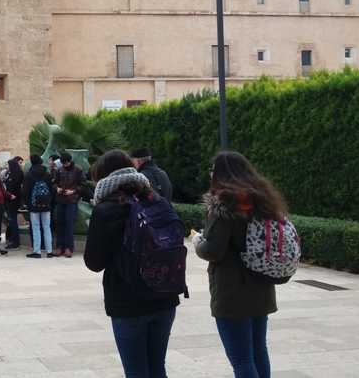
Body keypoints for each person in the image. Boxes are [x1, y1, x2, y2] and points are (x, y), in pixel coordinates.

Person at [84, 150, 180, 378]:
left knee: (136, 371)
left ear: (103, 177)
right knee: (158, 368)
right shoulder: (157, 200)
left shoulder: (106, 209)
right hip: (165, 294)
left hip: (128, 300)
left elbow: (94, 262)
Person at [193, 151, 282, 378]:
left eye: (213, 169)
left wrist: (197, 242)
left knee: (242, 360)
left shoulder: (224, 204)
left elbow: (213, 250)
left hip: (232, 292)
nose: (210, 173)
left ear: (222, 173)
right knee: (258, 352)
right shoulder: (263, 200)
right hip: (261, 285)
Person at [22, 155, 55, 258]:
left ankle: (37, 251)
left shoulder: (29, 175)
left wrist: (27, 204)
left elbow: (25, 191)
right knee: (47, 227)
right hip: (46, 205)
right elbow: (51, 189)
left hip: (34, 205)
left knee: (36, 227)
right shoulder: (47, 174)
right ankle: (49, 251)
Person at [53, 152, 84, 258]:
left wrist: (74, 191)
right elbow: (54, 182)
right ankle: (59, 247)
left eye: (66, 163)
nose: (64, 165)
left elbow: (83, 185)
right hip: (60, 199)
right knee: (59, 223)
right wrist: (57, 188)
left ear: (70, 161)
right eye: (63, 163)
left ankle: (69, 248)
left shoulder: (78, 170)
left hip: (72, 200)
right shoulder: (59, 170)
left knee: (69, 224)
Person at [3, 156, 25, 249]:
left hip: (13, 200)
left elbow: (13, 187)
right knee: (12, 220)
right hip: (12, 200)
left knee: (13, 221)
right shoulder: (12, 174)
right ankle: (12, 239)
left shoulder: (15, 175)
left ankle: (15, 241)